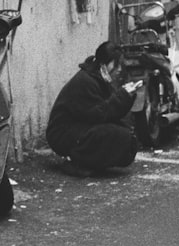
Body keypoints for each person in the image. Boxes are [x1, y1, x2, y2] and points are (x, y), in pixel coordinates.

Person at [45, 41, 142, 176]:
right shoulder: (86, 81)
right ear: (104, 64)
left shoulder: (98, 78)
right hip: (62, 134)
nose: (119, 69)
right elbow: (99, 113)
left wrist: (127, 95)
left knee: (124, 133)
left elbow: (109, 110)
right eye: (116, 64)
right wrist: (123, 95)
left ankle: (90, 162)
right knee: (114, 134)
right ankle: (77, 163)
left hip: (77, 127)